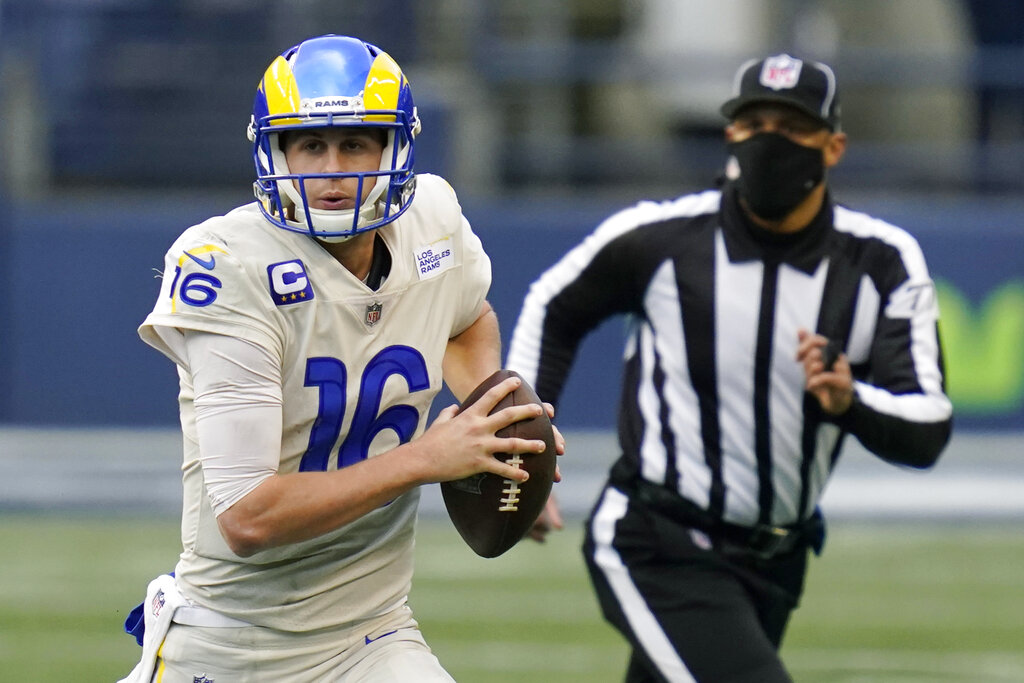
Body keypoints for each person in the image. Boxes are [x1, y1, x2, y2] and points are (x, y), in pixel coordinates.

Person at [119, 34, 561, 683]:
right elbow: (247, 515)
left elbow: (467, 321)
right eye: (310, 145)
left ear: (395, 148)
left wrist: (493, 427)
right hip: (233, 642)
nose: (332, 169)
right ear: (277, 152)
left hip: (371, 634)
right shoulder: (227, 263)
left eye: (355, 142)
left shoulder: (432, 221)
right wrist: (427, 458)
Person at [507, 53, 952, 682]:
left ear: (834, 146)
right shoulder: (662, 237)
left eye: (793, 126)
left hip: (778, 561)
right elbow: (555, 305)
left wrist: (851, 401)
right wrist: (526, 447)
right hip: (656, 540)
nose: (771, 140)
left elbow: (929, 424)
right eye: (754, 123)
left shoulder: (879, 261)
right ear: (730, 137)